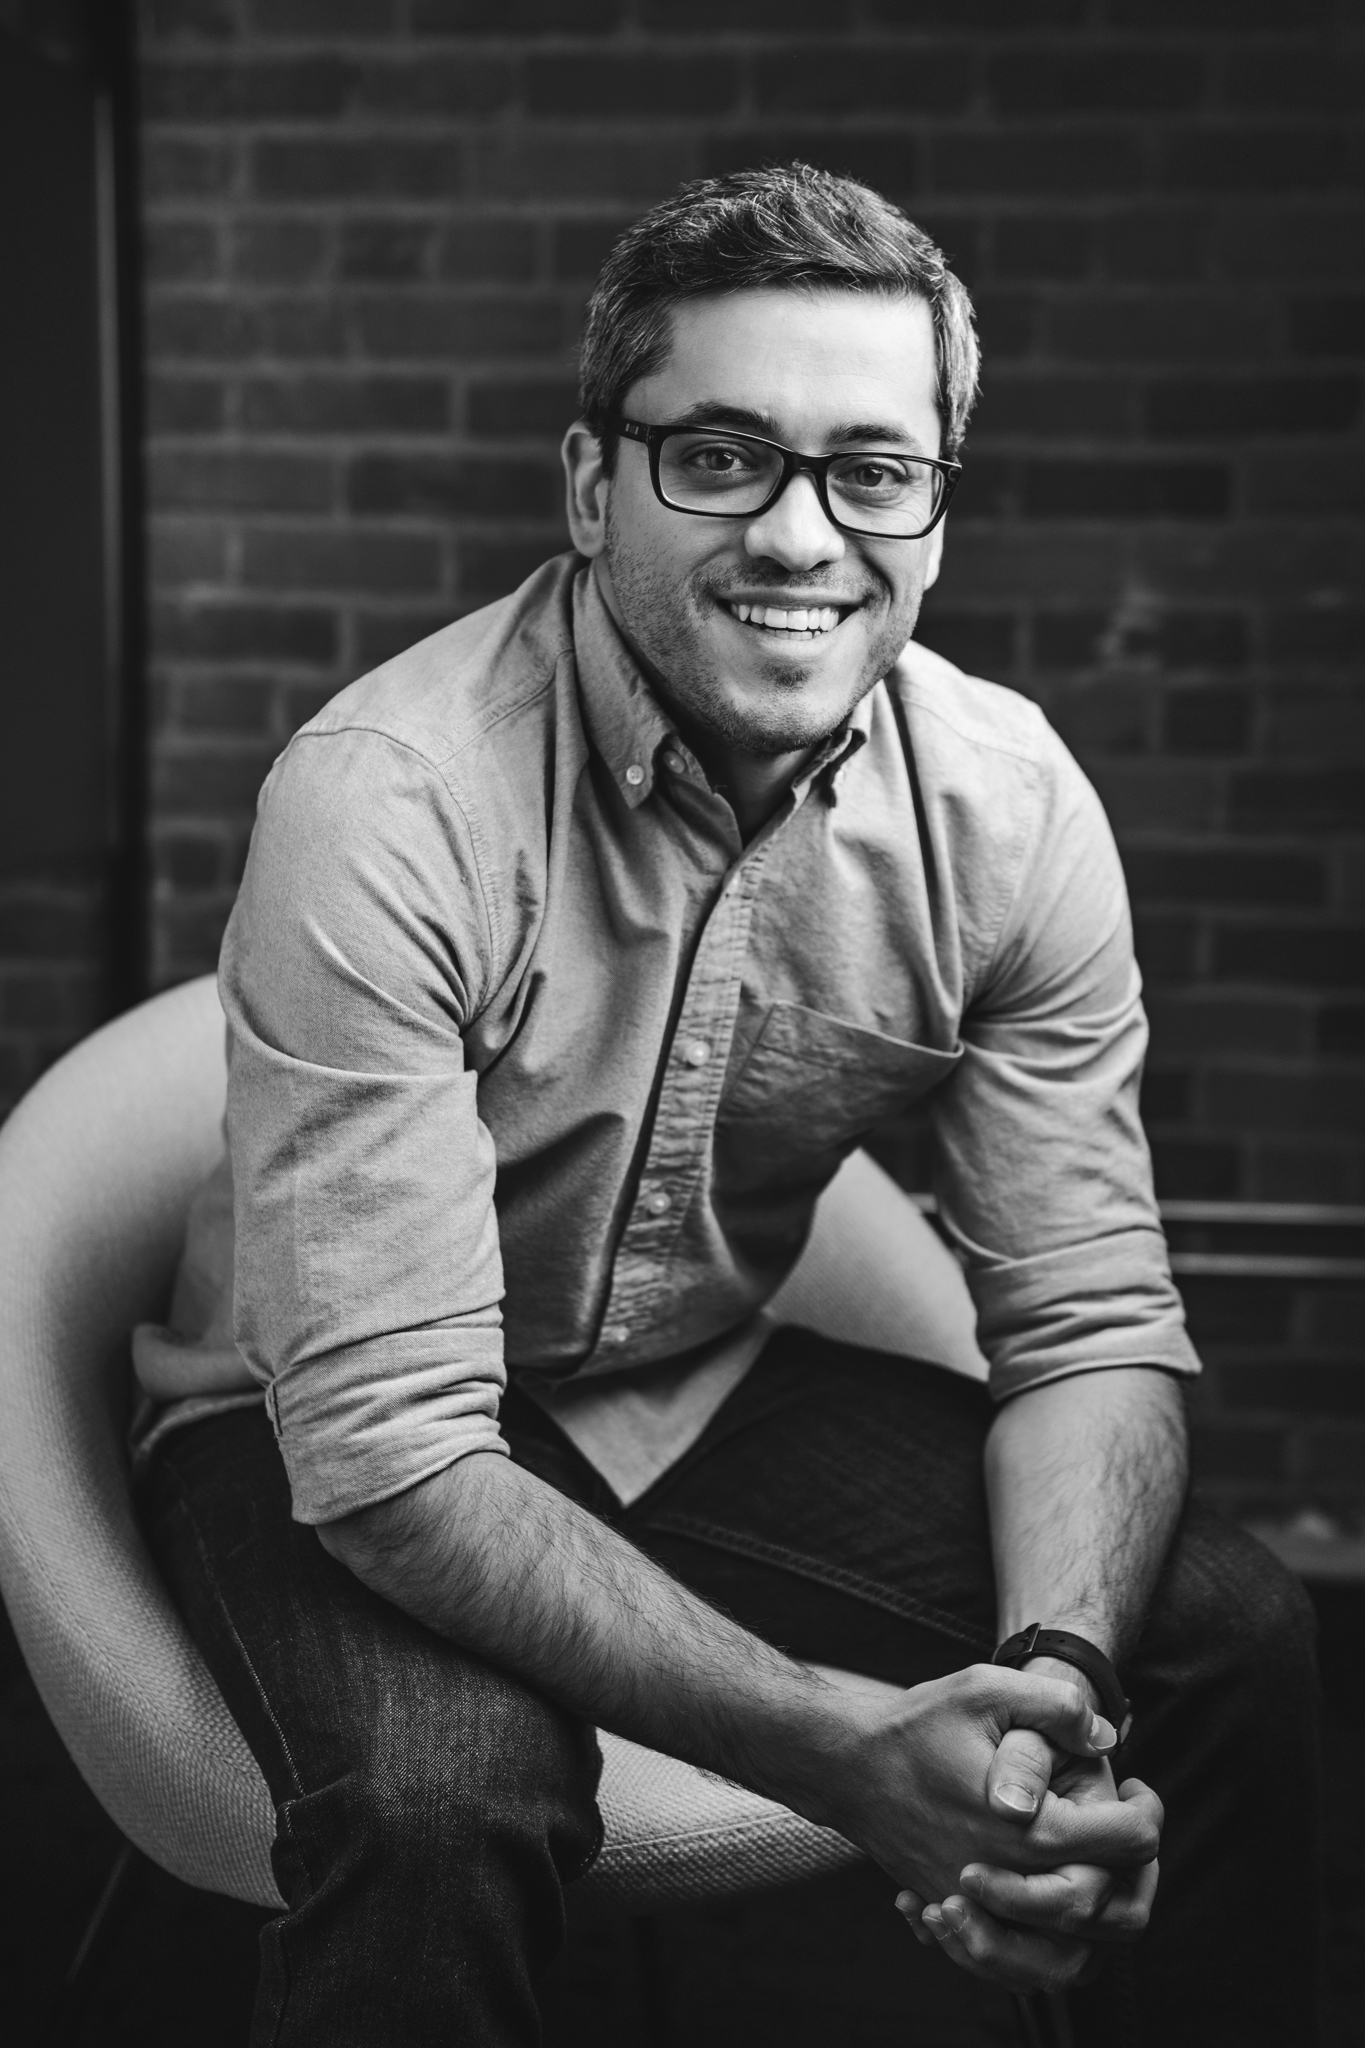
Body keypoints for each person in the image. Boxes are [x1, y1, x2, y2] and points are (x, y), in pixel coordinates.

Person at [133, 165, 1321, 2046]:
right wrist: (849, 1752)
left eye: (871, 468)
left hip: (685, 1388)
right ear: (592, 482)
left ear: (933, 507)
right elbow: (387, 1446)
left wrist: (1043, 1691)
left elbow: (1087, 1313)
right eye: (720, 457)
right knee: (454, 1801)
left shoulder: (1005, 807)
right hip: (327, 1418)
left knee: (1230, 1636)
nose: (799, 535)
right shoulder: (389, 795)